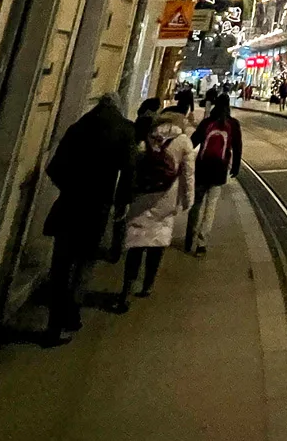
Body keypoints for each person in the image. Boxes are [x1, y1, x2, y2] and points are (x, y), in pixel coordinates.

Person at [42, 93, 134, 345]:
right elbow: (128, 173)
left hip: (69, 205)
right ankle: (71, 317)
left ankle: (54, 324)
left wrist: (71, 190)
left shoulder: (78, 128)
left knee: (61, 266)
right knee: (84, 264)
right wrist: (120, 205)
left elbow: (54, 168)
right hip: (97, 209)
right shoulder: (124, 130)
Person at [116, 102, 194, 309]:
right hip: (167, 199)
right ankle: (148, 284)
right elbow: (188, 175)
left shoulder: (150, 135)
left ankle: (126, 288)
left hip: (143, 195)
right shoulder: (184, 141)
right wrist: (188, 201)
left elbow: (136, 163)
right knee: (157, 243)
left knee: (136, 242)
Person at [186, 93, 243, 253]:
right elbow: (238, 147)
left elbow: (192, 142)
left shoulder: (207, 122)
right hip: (219, 170)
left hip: (202, 168)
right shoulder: (233, 124)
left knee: (196, 204)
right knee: (210, 207)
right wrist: (236, 166)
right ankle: (201, 244)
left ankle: (189, 239)